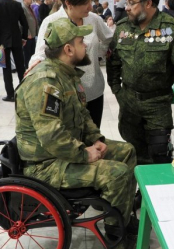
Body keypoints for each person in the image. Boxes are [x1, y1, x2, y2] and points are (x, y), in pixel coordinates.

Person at [16, 18, 137, 249]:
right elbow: (52, 137)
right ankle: (115, 233)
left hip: (65, 152)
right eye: (82, 41)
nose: (86, 46)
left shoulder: (66, 74)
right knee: (118, 173)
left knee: (127, 151)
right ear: (68, 49)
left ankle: (118, 215)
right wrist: (85, 154)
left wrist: (96, 140)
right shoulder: (45, 82)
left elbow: (82, 116)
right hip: (47, 165)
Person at [106, 0, 174, 165]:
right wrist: (117, 90)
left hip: (157, 103)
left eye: (131, 3)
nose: (127, 7)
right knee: (133, 153)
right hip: (129, 103)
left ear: (148, 3)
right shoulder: (122, 27)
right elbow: (113, 61)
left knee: (159, 154)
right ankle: (139, 193)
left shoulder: (171, 27)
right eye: (127, 2)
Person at [28, 0, 113, 129]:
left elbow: (108, 39)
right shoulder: (52, 22)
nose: (90, 6)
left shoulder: (93, 19)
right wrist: (35, 66)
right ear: (68, 3)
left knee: (94, 135)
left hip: (93, 90)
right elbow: (41, 52)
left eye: (91, 1)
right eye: (85, 2)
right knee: (72, 140)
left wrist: (96, 55)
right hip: (66, 93)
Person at [0, 0, 28, 102]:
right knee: (21, 67)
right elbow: (24, 23)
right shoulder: (17, 4)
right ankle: (24, 93)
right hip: (17, 39)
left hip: (1, 42)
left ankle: (10, 94)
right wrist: (24, 37)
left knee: (6, 69)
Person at [21, 0, 39, 69]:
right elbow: (23, 22)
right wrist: (27, 33)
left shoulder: (29, 7)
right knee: (27, 53)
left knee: (32, 52)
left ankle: (31, 66)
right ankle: (27, 67)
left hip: (33, 34)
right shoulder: (23, 8)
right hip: (28, 35)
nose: (31, 0)